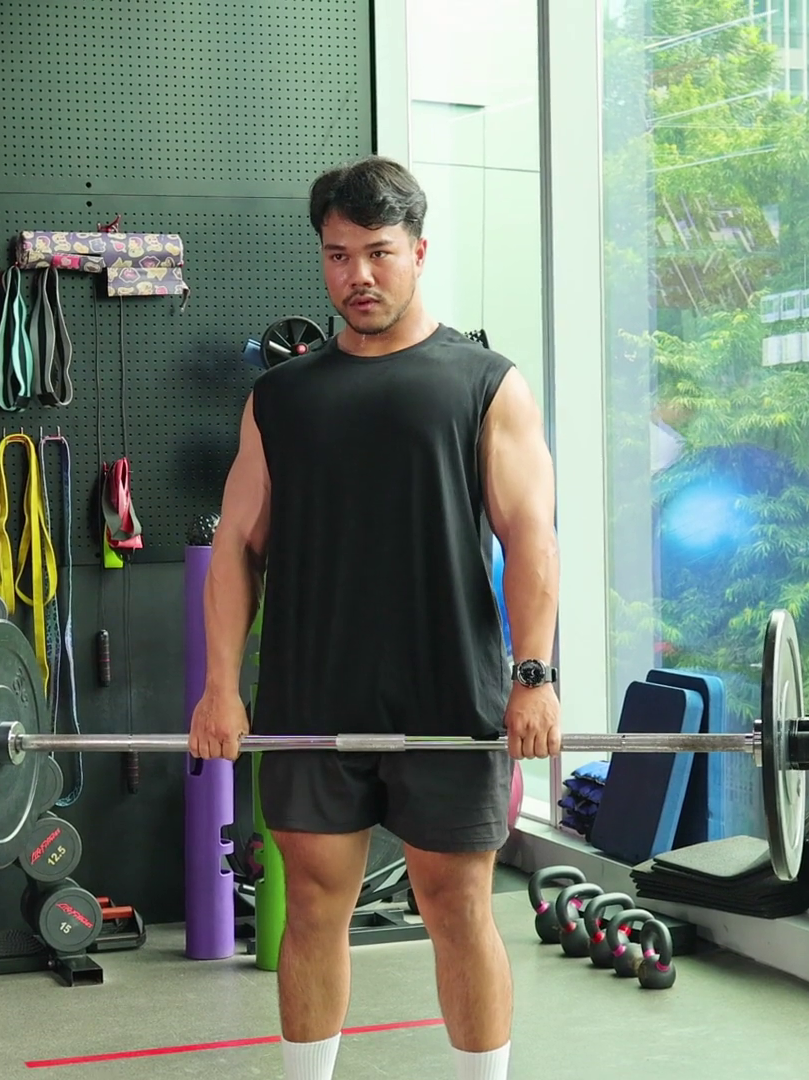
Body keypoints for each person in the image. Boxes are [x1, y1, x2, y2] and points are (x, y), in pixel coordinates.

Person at [189, 157, 561, 1080]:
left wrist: (534, 675)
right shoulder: (281, 399)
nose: (357, 275)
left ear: (419, 253)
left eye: (378, 253)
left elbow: (530, 538)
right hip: (313, 691)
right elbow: (236, 548)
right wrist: (221, 688)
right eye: (338, 255)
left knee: (457, 905)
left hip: (450, 694)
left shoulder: (485, 383)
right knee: (314, 907)